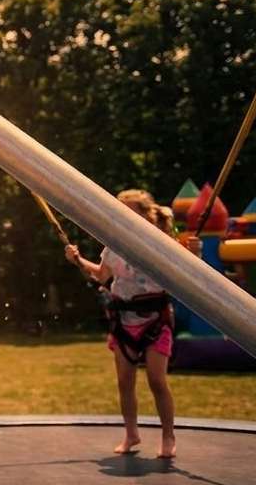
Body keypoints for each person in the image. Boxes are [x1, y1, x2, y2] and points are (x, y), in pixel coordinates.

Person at [64, 189, 200, 459]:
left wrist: (195, 254)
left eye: (128, 210)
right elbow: (102, 276)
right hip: (123, 323)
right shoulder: (113, 245)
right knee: (124, 382)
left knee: (156, 380)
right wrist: (77, 260)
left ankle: (168, 436)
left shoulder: (162, 245)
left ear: (145, 215)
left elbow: (190, 275)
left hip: (154, 321)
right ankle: (131, 434)